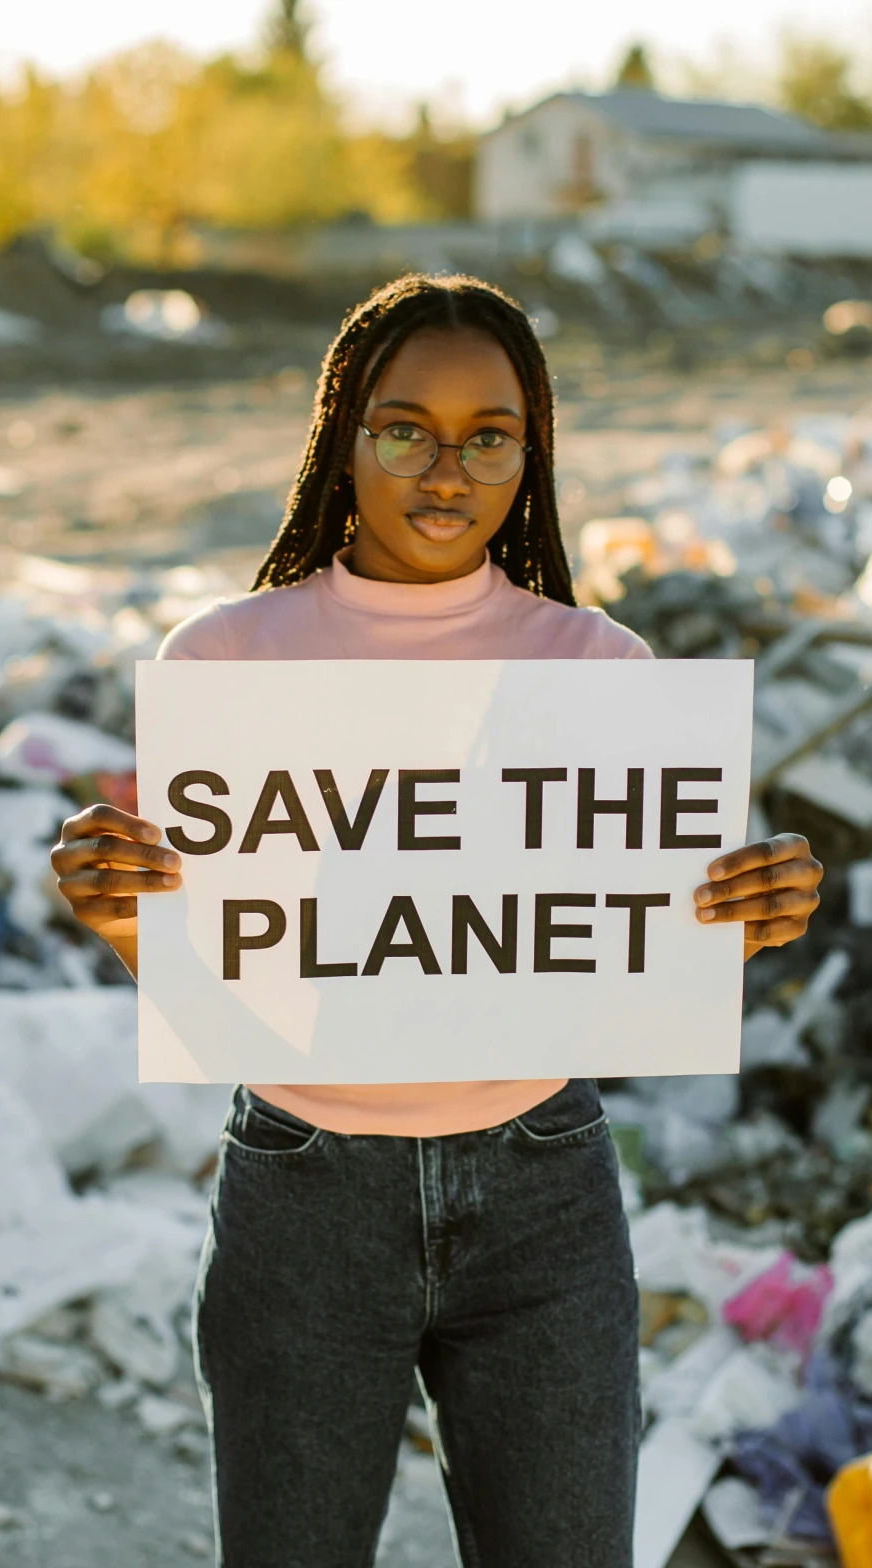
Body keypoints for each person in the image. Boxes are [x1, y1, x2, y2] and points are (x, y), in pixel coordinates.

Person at [51, 273, 822, 1567]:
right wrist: (122, 922)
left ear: (534, 452)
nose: (446, 468)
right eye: (405, 428)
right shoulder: (226, 663)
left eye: (490, 434)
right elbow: (211, 976)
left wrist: (740, 919)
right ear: (342, 434)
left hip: (547, 1195)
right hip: (304, 1197)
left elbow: (623, 956)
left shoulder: (605, 671)